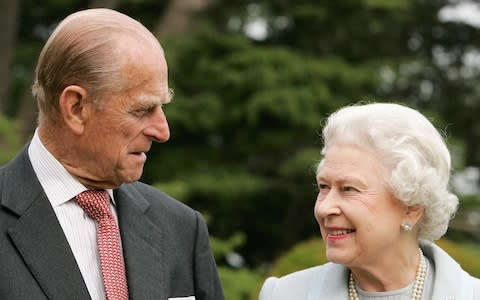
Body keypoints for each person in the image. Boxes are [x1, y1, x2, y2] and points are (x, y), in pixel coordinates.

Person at [0, 8, 224, 300]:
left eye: (161, 108)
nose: (162, 131)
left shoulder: (181, 229)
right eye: (143, 110)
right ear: (76, 107)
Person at [259, 102, 480, 299]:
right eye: (324, 187)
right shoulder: (284, 294)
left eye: (349, 189)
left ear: (411, 207)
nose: (325, 207)